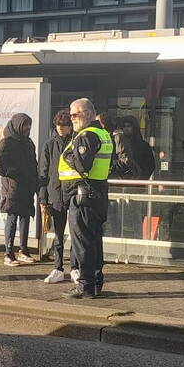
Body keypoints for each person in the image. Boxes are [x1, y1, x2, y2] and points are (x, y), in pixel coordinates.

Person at [60, 98, 113, 299]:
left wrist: (68, 157)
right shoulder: (103, 134)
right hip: (97, 193)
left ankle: (85, 285)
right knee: (94, 241)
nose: (71, 118)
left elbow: (82, 165)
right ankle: (96, 282)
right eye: (70, 114)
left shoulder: (87, 135)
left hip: (83, 196)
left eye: (75, 114)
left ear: (89, 114)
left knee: (82, 243)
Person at [0, 112, 39, 267]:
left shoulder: (28, 143)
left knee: (25, 217)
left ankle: (23, 250)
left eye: (29, 125)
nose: (27, 128)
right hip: (12, 188)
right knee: (12, 218)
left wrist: (35, 181)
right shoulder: (7, 143)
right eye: (25, 125)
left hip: (27, 186)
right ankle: (8, 252)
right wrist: (14, 173)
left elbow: (34, 164)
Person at [39, 109, 73, 283]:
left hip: (72, 193)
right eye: (59, 125)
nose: (61, 128)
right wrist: (43, 198)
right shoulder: (49, 144)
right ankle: (58, 267)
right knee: (59, 235)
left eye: (65, 125)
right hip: (56, 193)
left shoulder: (75, 142)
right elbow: (43, 173)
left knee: (75, 234)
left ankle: (75, 268)